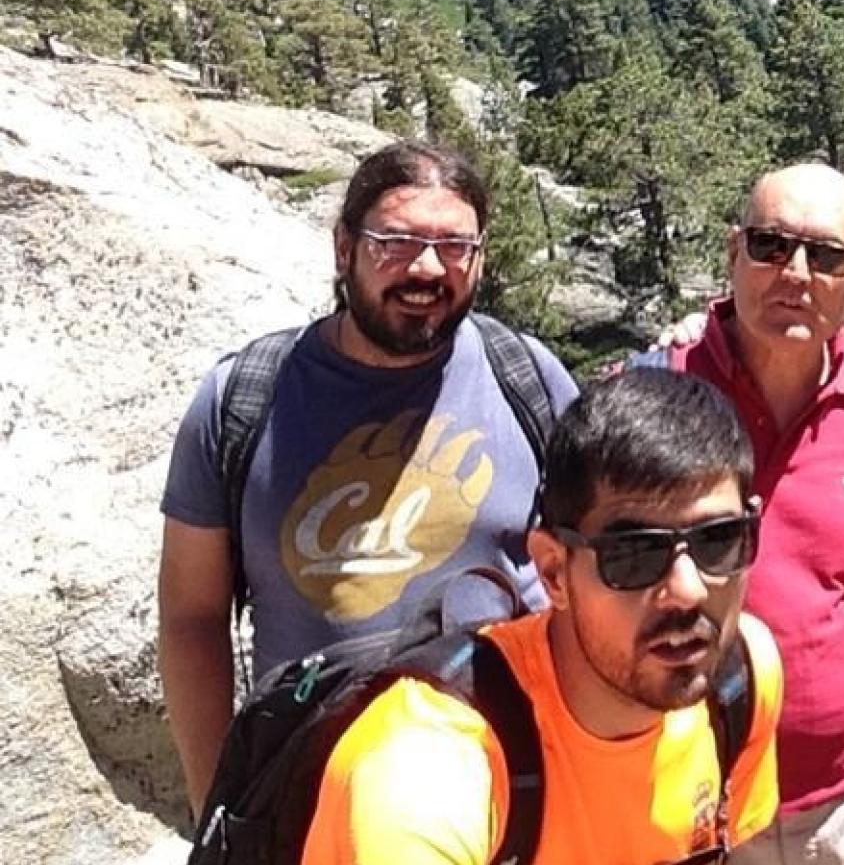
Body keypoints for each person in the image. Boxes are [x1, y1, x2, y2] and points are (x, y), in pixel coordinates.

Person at [158, 139, 578, 817]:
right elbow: (191, 617)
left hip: (511, 788)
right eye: (395, 241)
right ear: (343, 248)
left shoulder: (529, 383)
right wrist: (218, 809)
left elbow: (591, 570)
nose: (426, 268)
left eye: (455, 247)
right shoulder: (241, 401)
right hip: (307, 797)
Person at [299, 367, 782, 864]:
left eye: (719, 541)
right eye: (633, 555)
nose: (686, 590)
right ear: (553, 571)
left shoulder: (738, 680)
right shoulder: (426, 766)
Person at [651, 163, 844, 865]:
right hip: (698, 806)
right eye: (770, 245)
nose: (794, 273)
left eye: (826, 257)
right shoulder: (660, 391)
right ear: (733, 252)